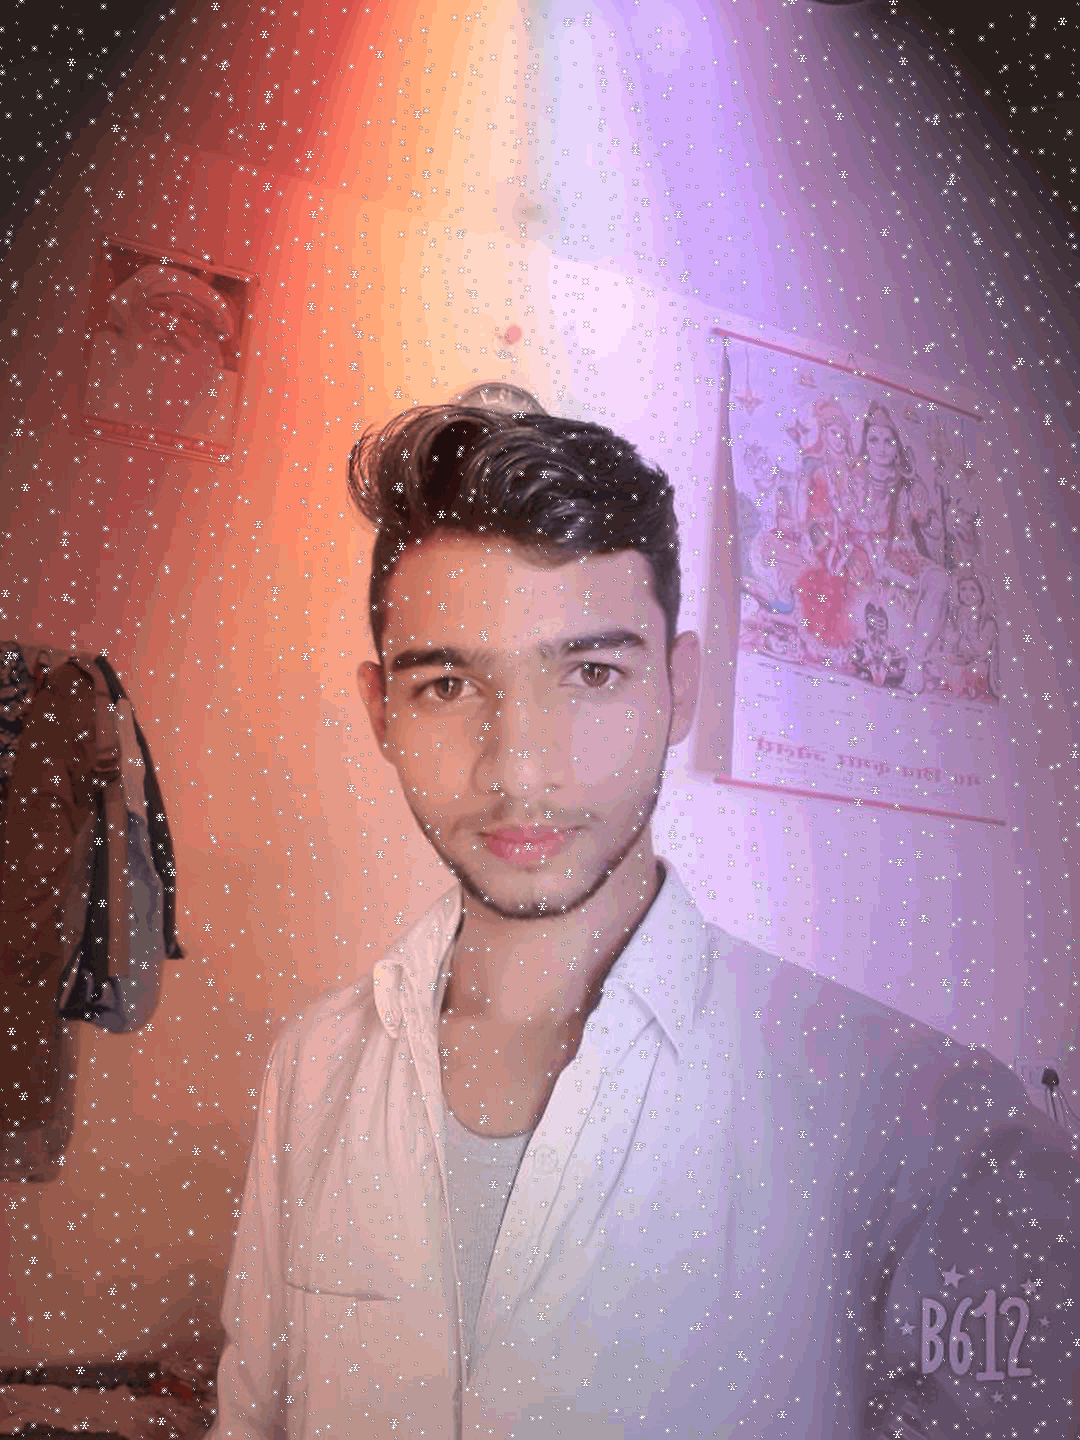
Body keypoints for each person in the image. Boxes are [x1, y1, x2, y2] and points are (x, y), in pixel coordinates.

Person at [210, 401, 1079, 1440]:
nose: (517, 765)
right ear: (380, 713)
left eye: (590, 674)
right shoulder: (314, 1070)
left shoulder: (923, 1128)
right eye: (446, 683)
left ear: (680, 687)